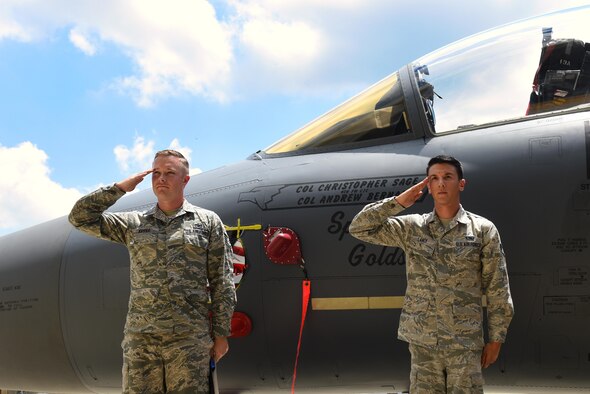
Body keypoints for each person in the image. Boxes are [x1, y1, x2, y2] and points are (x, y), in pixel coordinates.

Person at [69, 149, 236, 393]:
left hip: (189, 339)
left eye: (170, 172)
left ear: (185, 180)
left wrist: (221, 335)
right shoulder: (134, 223)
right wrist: (119, 188)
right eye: (156, 173)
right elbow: (80, 218)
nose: (161, 178)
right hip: (142, 341)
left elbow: (222, 280)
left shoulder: (207, 222)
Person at [348, 155, 514, 393]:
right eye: (434, 178)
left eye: (447, 177)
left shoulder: (482, 230)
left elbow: (498, 287)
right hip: (423, 342)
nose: (441, 183)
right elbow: (359, 227)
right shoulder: (412, 228)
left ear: (461, 184)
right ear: (428, 185)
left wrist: (496, 339)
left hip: (464, 343)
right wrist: (398, 202)